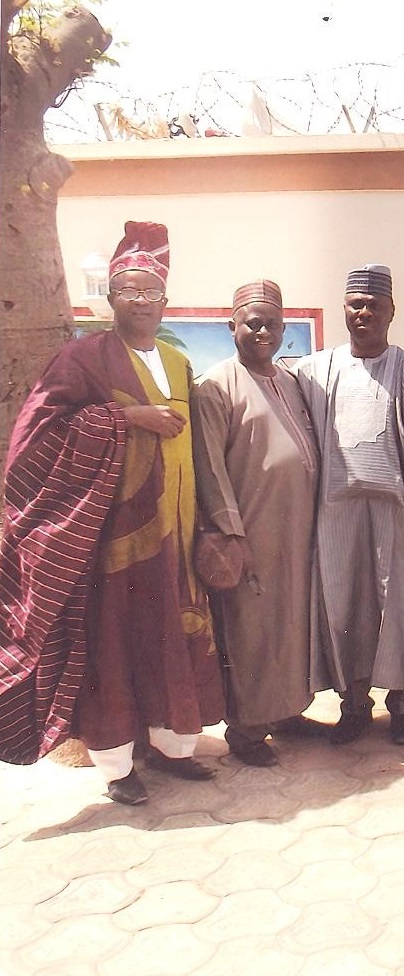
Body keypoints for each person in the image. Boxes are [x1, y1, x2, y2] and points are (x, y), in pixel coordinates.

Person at [0, 220, 223, 804]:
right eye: (128, 290)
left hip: (178, 534)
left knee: (171, 638)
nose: (141, 301)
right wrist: (127, 419)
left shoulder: (176, 362)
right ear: (111, 298)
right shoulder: (83, 358)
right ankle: (117, 767)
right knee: (116, 648)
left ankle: (173, 748)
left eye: (151, 291)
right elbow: (37, 435)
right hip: (117, 541)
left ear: (165, 299)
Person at [294, 264, 404, 747]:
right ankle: (354, 706)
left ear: (391, 312)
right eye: (356, 304)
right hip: (335, 517)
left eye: (374, 305)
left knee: (401, 611)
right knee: (344, 611)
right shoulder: (313, 372)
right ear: (344, 309)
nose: (364, 313)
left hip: (398, 517)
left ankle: (403, 708)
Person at [192, 280, 322, 767]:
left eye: (272, 323)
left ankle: (285, 711)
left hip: (297, 530)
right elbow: (209, 468)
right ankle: (246, 731)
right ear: (233, 327)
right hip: (251, 532)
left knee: (291, 626)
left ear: (284, 329)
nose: (263, 331)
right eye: (253, 323)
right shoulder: (215, 386)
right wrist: (232, 534)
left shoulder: (289, 380)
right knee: (251, 631)